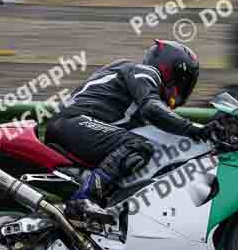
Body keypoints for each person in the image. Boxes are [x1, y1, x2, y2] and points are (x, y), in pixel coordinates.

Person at [45, 40, 207, 221]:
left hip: (77, 125)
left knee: (136, 151)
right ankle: (84, 199)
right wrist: (194, 130)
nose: (181, 89)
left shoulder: (134, 89)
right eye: (182, 80)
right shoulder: (144, 72)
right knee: (137, 145)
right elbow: (152, 108)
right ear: (168, 69)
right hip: (73, 122)